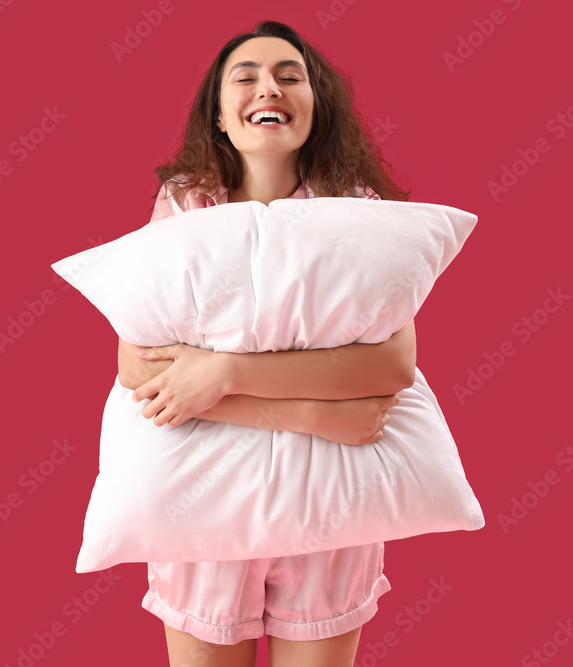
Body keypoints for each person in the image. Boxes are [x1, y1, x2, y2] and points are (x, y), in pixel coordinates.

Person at [116, 20, 417, 667]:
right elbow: (138, 366)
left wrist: (217, 372)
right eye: (244, 76)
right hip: (207, 500)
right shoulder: (186, 207)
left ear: (316, 107)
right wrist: (315, 409)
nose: (267, 87)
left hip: (328, 507)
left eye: (289, 75)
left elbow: (393, 363)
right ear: (220, 114)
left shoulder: (358, 212)